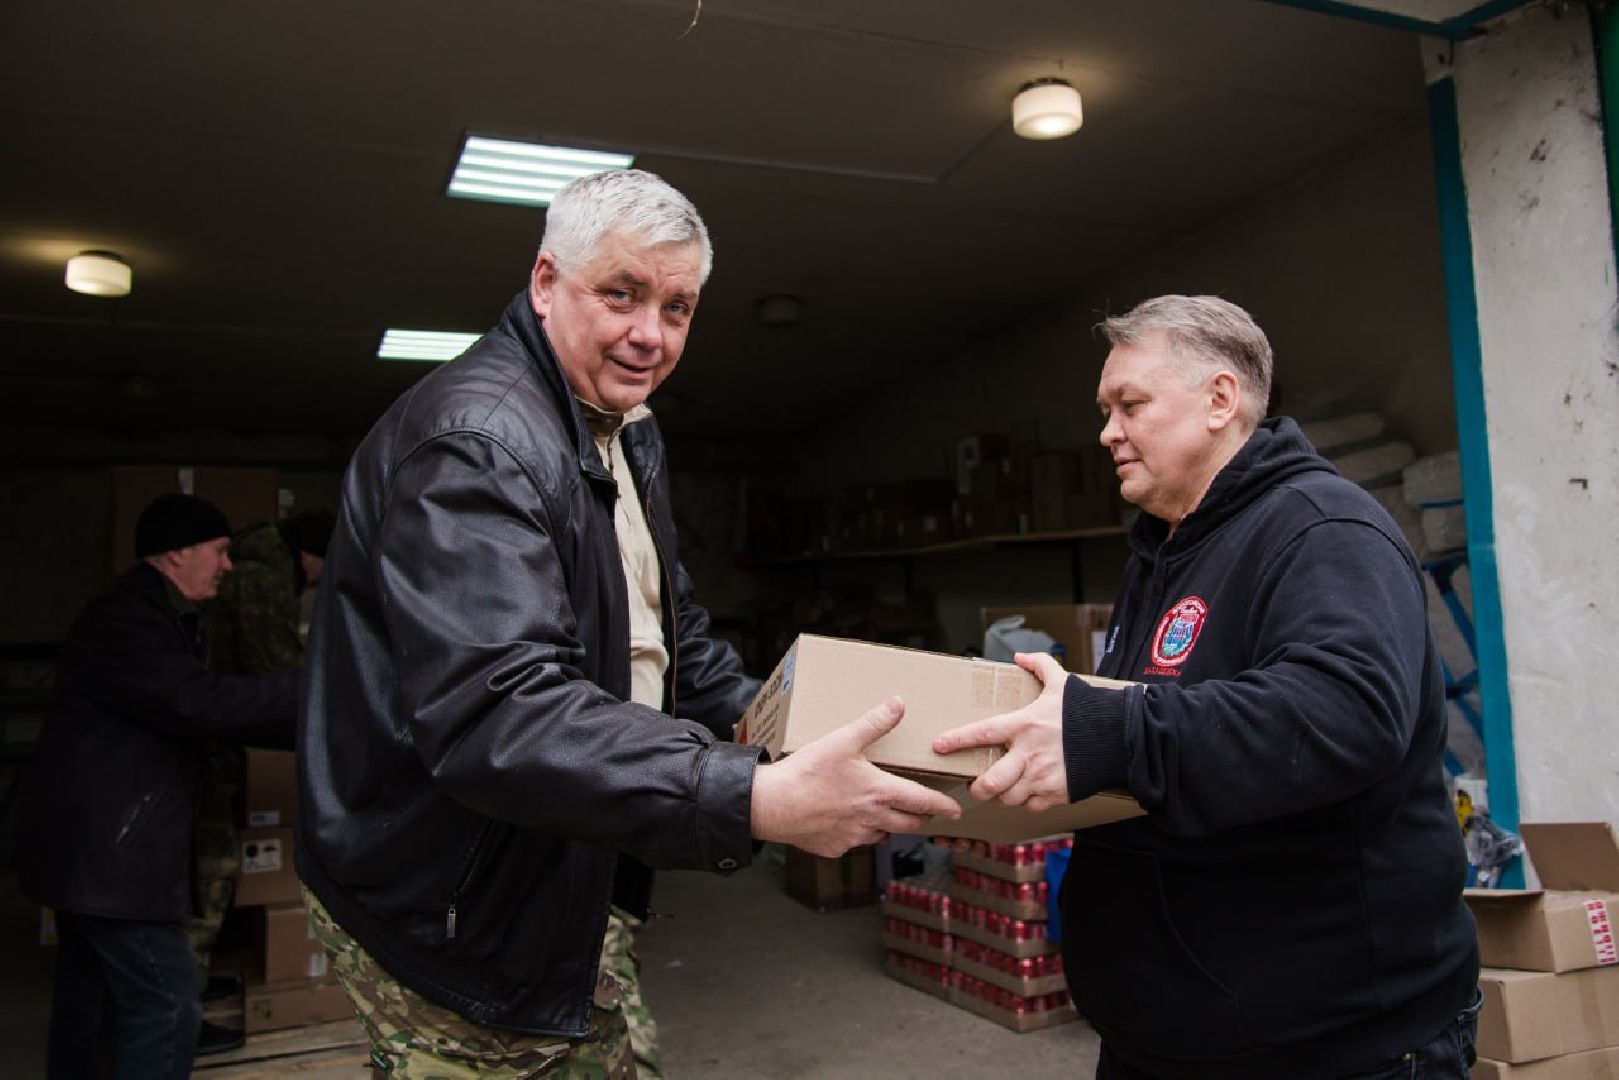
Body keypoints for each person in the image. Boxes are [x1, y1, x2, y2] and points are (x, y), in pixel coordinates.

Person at [297, 167, 959, 1076]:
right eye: (621, 294)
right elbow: (498, 713)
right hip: (454, 892)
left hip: (568, 857)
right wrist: (752, 798)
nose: (651, 334)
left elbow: (670, 630)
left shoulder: (623, 424)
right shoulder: (477, 442)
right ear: (545, 282)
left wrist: (793, 727)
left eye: (677, 307)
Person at [934, 295, 1480, 1078]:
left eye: (1130, 405)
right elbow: (1162, 742)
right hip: (1169, 1034)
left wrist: (1103, 734)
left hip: (1325, 1046)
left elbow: (1345, 715)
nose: (1107, 432)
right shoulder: (1164, 551)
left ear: (1220, 399)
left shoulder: (1321, 529)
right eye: (1104, 410)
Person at [16, 493, 299, 1079]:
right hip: (113, 855)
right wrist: (314, 686)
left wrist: (313, 730)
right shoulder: (126, 624)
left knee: (91, 1001)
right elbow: (197, 703)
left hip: (94, 852)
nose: (227, 566)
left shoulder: (163, 620)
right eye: (219, 551)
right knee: (167, 1004)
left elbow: (202, 712)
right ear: (176, 554)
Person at [186, 509, 336, 1023]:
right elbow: (277, 669)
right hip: (214, 733)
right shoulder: (263, 579)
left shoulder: (251, 567)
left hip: (214, 726)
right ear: (311, 558)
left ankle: (188, 986)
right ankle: (182, 1001)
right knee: (212, 862)